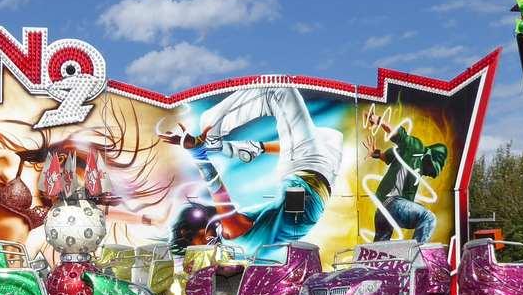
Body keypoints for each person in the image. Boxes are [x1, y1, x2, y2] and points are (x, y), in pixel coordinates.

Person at [161, 85, 343, 256]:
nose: (204, 246)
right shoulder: (230, 235)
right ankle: (213, 142)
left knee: (330, 137)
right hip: (305, 185)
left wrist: (261, 148)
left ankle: (240, 148)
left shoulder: (236, 248)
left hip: (311, 195)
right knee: (278, 91)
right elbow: (218, 192)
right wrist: (198, 153)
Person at [365, 108, 446, 242]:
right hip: (393, 202)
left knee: (380, 250)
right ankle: (415, 254)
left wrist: (376, 154)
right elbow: (399, 134)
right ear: (430, 157)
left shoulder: (406, 155)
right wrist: (378, 120)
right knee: (428, 218)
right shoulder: (416, 147)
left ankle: (372, 257)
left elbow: (388, 156)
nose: (428, 173)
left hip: (382, 210)